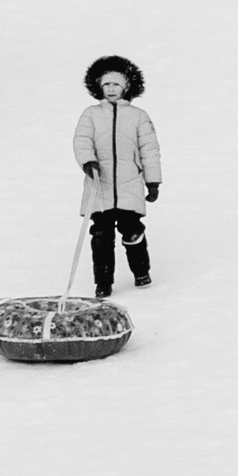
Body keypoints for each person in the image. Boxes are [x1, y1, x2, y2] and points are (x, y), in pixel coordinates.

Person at [73, 55, 162, 298]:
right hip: (99, 185)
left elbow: (150, 150)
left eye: (116, 84)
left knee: (132, 231)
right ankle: (103, 283)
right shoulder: (90, 114)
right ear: (99, 87)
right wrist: (87, 161)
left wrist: (152, 181)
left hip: (129, 185)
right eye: (107, 85)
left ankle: (141, 272)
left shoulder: (138, 116)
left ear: (126, 87)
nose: (111, 89)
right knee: (101, 236)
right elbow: (82, 141)